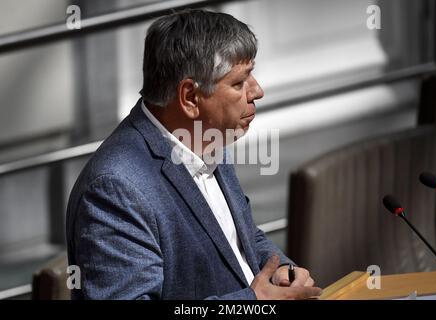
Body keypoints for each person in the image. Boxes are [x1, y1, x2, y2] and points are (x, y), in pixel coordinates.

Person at [66, 9, 322, 300]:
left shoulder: (207, 139)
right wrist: (252, 303)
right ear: (189, 97)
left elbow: (241, 239)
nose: (257, 91)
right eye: (239, 83)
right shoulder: (115, 189)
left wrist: (281, 272)